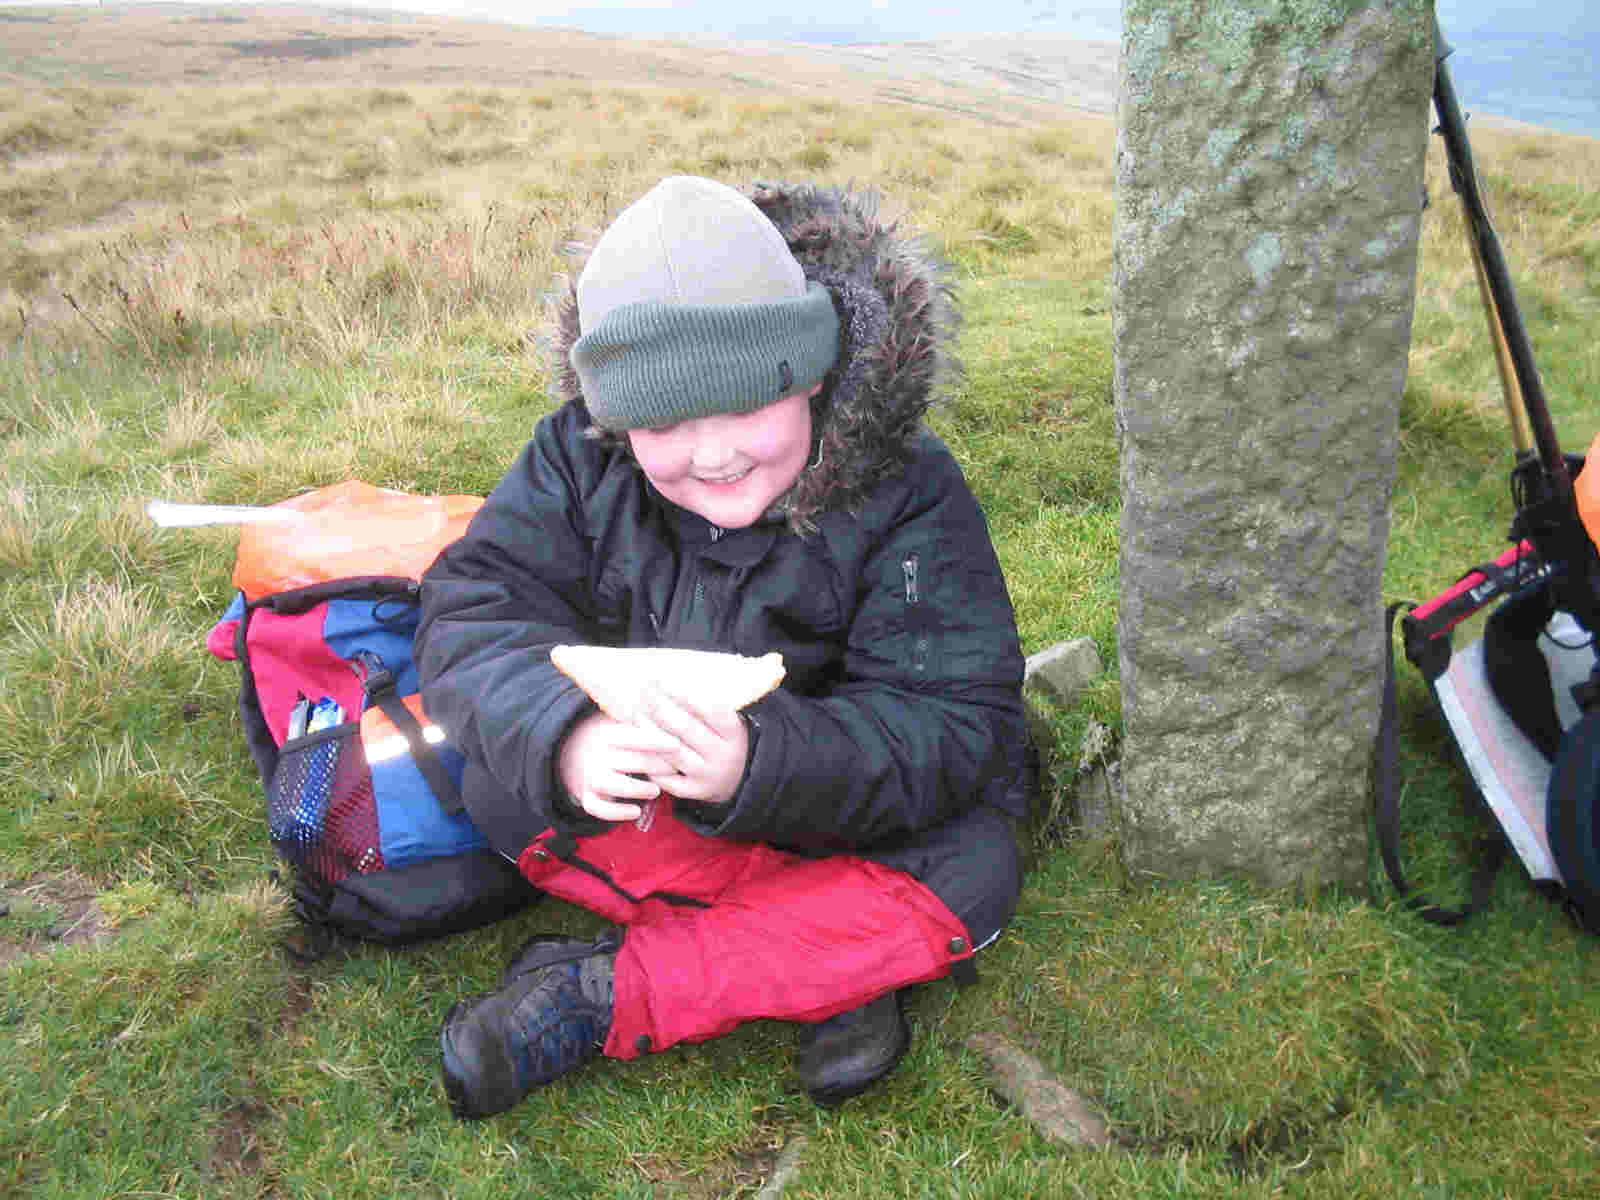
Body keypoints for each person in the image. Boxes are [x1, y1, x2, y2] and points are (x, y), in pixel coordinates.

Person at [415, 175, 1029, 1120]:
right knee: (499, 780)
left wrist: (761, 765)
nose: (712, 455)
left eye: (747, 406)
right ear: (614, 415)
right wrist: (567, 738)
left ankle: (601, 996)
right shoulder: (576, 461)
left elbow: (954, 724)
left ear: (812, 372)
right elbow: (468, 611)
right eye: (664, 421)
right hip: (669, 812)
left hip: (854, 810)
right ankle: (827, 963)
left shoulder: (910, 492)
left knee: (973, 873)